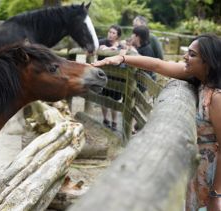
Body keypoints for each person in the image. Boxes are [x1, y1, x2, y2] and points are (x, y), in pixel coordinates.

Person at [92, 33, 221, 211]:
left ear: (207, 62)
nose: (185, 57)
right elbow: (158, 65)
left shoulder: (216, 98)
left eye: (192, 54)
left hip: (212, 173)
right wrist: (121, 58)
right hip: (196, 167)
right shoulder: (198, 79)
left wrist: (216, 195)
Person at [98, 25, 125, 131]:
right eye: (109, 32)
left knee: (116, 100)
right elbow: (96, 49)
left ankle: (114, 122)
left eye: (113, 33)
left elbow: (124, 54)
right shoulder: (101, 42)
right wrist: (107, 49)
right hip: (103, 74)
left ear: (117, 36)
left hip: (116, 77)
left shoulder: (121, 46)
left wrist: (115, 50)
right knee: (103, 98)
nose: (110, 34)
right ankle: (105, 119)